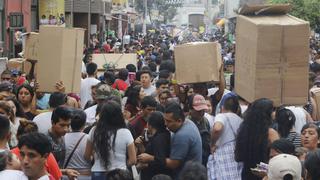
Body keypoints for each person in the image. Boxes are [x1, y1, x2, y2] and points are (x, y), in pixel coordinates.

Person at [84, 101, 136, 180]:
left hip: (98, 173)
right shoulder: (125, 132)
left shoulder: (94, 131)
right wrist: (121, 164)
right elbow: (133, 160)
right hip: (119, 175)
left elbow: (87, 155)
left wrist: (96, 160)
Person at [235, 98, 279, 180]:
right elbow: (279, 154)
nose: (274, 113)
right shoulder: (271, 133)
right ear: (267, 113)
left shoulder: (244, 131)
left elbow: (238, 156)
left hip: (247, 172)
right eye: (273, 110)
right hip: (266, 174)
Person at [208, 96, 243, 180]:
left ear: (222, 107)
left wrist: (212, 144)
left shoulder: (221, 116)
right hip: (236, 154)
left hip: (223, 154)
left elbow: (217, 128)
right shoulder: (240, 120)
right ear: (237, 109)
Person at [136, 111, 172, 179]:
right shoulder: (164, 134)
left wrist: (147, 164)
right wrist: (140, 146)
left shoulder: (159, 139)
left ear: (150, 125)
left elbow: (160, 161)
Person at [63, 109, 91, 179]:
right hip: (85, 176)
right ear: (84, 123)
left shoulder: (62, 138)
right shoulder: (89, 139)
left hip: (66, 176)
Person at [188, 94, 211, 165]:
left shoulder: (206, 121)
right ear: (190, 109)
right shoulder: (187, 124)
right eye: (198, 111)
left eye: (203, 110)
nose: (201, 113)